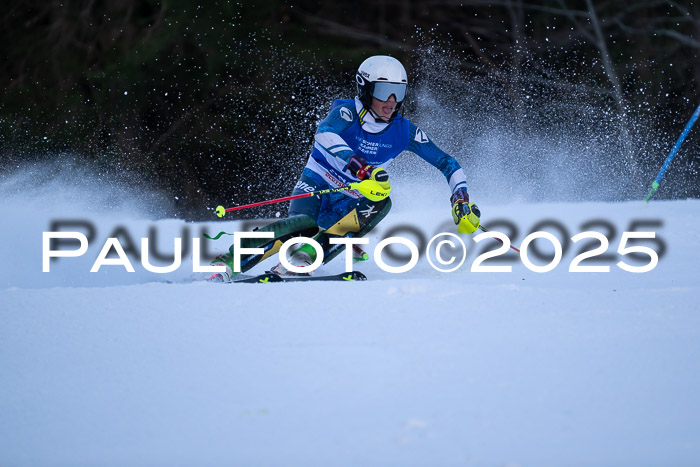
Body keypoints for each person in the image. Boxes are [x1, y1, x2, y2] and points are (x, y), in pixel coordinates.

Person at [210, 55, 480, 281]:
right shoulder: (346, 112)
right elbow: (324, 134)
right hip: (316, 186)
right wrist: (362, 169)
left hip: (347, 202)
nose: (392, 101)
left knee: (381, 202)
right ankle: (228, 260)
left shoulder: (404, 132)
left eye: (399, 92)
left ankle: (304, 258)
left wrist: (461, 199)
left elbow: (448, 163)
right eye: (384, 92)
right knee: (303, 225)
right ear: (365, 89)